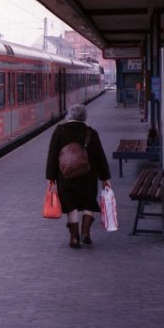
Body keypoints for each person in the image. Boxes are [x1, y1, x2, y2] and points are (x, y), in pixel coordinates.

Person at [45, 104, 112, 248]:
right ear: (84, 116)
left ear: (69, 115)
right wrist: (105, 178)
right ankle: (86, 232)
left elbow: (52, 155)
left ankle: (74, 238)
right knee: (89, 201)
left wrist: (50, 177)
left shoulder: (60, 131)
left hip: (65, 175)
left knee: (71, 204)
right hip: (88, 175)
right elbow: (100, 157)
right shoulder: (91, 133)